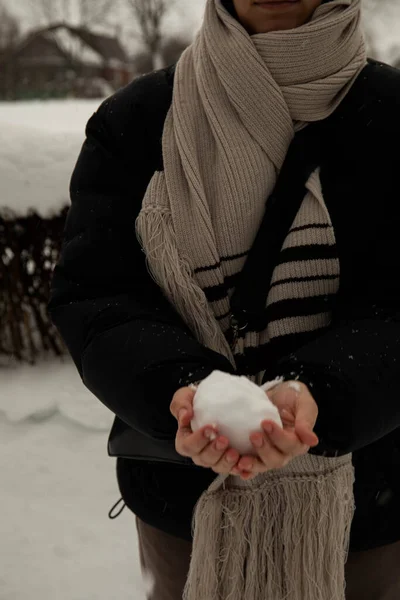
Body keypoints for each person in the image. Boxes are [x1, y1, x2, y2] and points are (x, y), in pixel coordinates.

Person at [49, 0, 400, 598]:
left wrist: (324, 391)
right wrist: (179, 388)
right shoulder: (135, 121)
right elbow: (97, 294)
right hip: (184, 506)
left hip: (371, 506)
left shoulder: (393, 115)